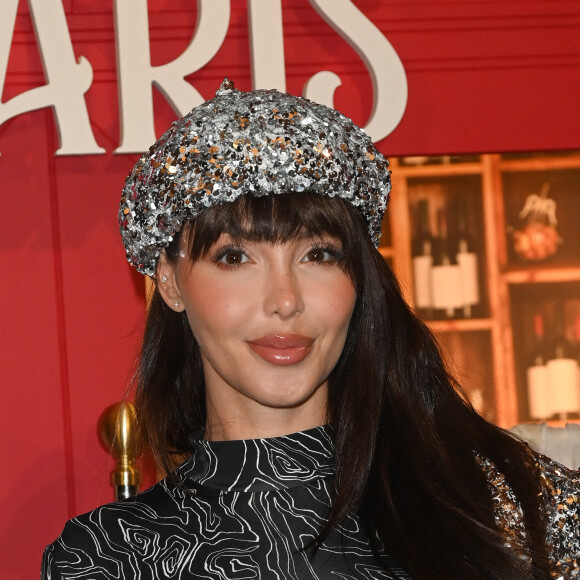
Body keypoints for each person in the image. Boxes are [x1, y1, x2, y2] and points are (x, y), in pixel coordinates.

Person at [42, 79, 579, 580]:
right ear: (170, 282)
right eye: (235, 257)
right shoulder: (110, 557)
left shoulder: (513, 505)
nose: (285, 301)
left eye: (318, 255)